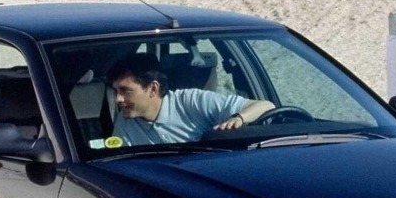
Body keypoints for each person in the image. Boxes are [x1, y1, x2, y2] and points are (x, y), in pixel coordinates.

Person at [107, 53, 274, 146]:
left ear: (153, 88)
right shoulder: (125, 121)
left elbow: (265, 106)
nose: (118, 99)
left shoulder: (192, 101)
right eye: (115, 91)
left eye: (125, 91)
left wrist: (239, 118)